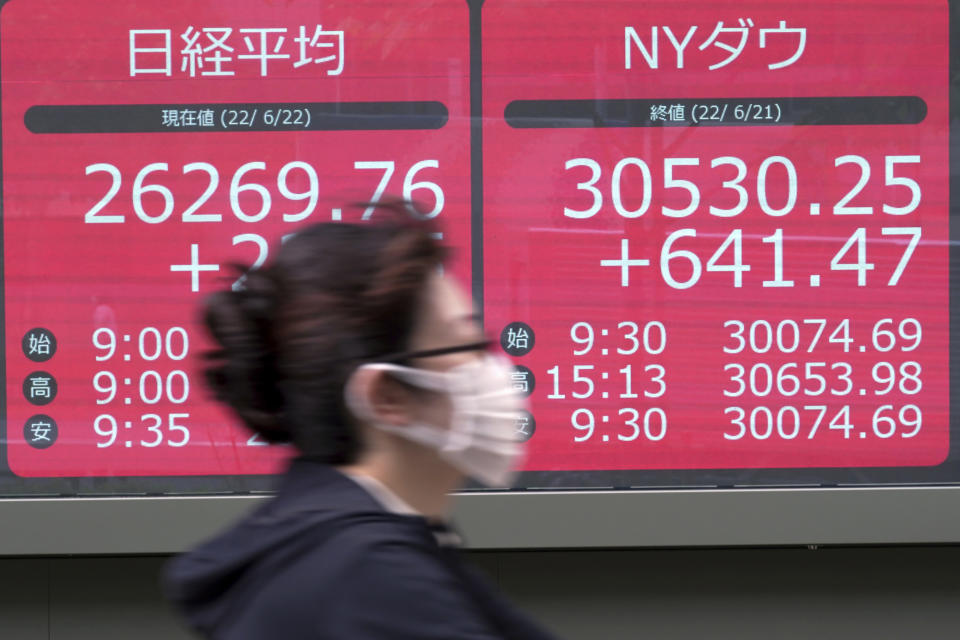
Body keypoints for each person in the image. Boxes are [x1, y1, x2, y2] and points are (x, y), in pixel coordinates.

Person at [164, 204, 560, 640]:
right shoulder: (375, 577)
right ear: (387, 396)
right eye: (468, 344)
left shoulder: (358, 544)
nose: (494, 369)